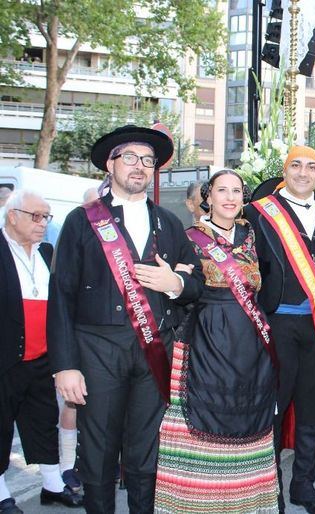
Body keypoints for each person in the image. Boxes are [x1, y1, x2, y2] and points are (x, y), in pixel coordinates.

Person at [47, 125, 204, 514]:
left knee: (145, 454)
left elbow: (197, 283)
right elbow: (61, 297)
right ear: (110, 164)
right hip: (97, 349)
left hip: (153, 349)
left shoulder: (168, 222)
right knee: (98, 454)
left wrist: (175, 284)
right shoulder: (82, 221)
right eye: (130, 157)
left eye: (148, 160)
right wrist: (65, 366)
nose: (140, 166)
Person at [154, 169, 279, 512]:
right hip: (205, 336)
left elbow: (269, 281)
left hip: (250, 340)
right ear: (208, 197)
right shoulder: (190, 237)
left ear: (243, 197)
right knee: (202, 419)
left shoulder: (254, 235)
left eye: (236, 191)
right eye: (221, 190)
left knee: (250, 417)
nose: (229, 197)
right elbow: (180, 288)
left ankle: (245, 502)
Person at [244, 146, 315, 514]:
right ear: (284, 170)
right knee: (274, 406)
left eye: (311, 167)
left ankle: (303, 485)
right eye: (296, 165)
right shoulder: (259, 213)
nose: (303, 173)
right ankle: (269, 485)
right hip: (279, 323)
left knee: (312, 407)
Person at [1, 190, 84, 514]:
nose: (42, 223)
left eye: (46, 217)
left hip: (41, 359)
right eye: (36, 216)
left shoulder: (47, 252)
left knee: (42, 422)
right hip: (6, 359)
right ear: (13, 216)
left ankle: (52, 485)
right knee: (1, 426)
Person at [59, 186, 103, 494]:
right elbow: (64, 297)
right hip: (81, 341)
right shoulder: (76, 232)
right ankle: (68, 466)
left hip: (113, 344)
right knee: (75, 406)